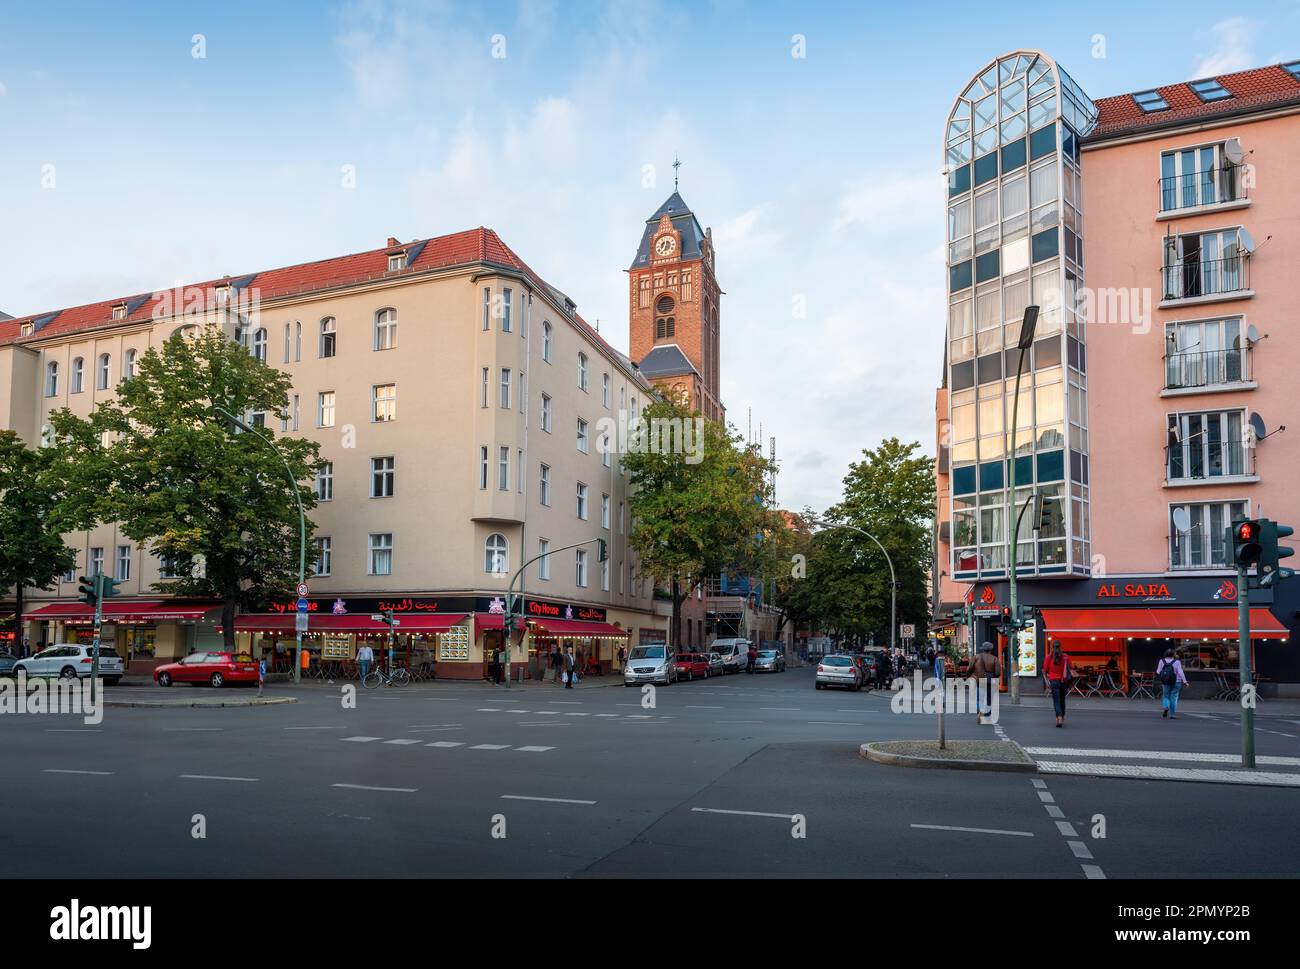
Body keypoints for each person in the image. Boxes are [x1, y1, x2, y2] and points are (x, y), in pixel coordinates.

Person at [965, 642, 1000, 724]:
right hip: (991, 681)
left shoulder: (976, 657)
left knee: (979, 698)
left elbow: (969, 668)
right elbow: (998, 672)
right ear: (991, 650)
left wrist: (968, 676)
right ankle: (987, 716)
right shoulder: (994, 658)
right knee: (989, 699)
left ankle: (980, 711)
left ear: (982, 649)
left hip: (980, 680)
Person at [1041, 640, 1072, 728]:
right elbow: (1071, 668)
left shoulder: (1049, 657)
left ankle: (1059, 717)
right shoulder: (1066, 657)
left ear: (1052, 647)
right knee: (1062, 700)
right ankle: (1062, 717)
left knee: (1056, 700)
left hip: (1054, 681)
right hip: (1064, 681)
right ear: (1060, 647)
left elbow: (1045, 669)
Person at [1156, 648, 1188, 719]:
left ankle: (1166, 707)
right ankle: (1172, 714)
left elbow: (1158, 671)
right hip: (1177, 681)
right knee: (1174, 697)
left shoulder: (1161, 661)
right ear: (1173, 654)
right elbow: (1180, 672)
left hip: (1166, 681)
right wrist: (1185, 681)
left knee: (1166, 695)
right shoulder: (1177, 662)